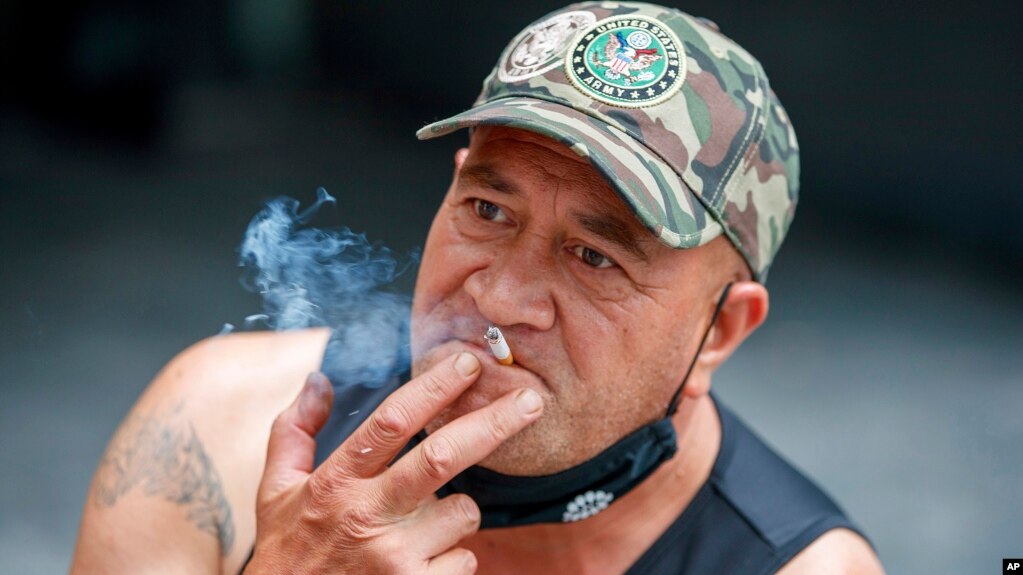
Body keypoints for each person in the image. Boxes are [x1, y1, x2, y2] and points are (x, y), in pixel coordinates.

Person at [71, 2, 884, 573]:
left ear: (718, 331)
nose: (497, 299)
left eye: (595, 257)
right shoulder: (219, 425)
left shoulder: (798, 567)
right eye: (489, 209)